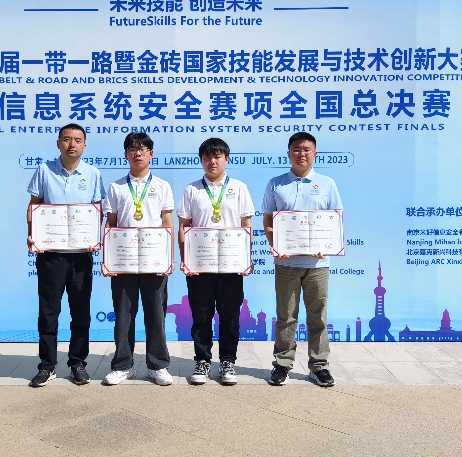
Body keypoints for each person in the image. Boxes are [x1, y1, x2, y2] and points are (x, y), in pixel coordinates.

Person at [26, 123, 105, 387]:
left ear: (84, 145)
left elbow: (97, 211)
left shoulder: (92, 173)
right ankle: (47, 365)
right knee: (48, 312)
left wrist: (95, 238)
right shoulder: (44, 170)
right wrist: (33, 235)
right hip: (51, 254)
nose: (72, 144)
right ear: (58, 143)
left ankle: (77, 363)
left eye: (78, 140)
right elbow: (34, 206)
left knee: (80, 312)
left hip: (81, 255)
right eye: (67, 139)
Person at [262, 131, 343, 387]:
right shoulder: (276, 184)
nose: (301, 154)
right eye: (296, 149)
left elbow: (335, 219)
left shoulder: (327, 184)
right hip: (286, 263)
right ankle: (282, 364)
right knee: (286, 316)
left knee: (318, 316)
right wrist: (276, 245)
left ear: (315, 153)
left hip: (317, 264)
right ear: (288, 154)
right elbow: (268, 219)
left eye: (307, 149)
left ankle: (319, 366)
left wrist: (327, 246)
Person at [177, 138, 254, 385]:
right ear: (201, 160)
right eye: (207, 157)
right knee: (201, 316)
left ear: (226, 159)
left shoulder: (239, 188)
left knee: (230, 316)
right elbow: (183, 227)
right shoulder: (192, 190)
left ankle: (228, 361)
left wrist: (246, 259)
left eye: (217, 156)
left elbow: (246, 226)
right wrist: (186, 260)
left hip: (231, 267)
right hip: (200, 267)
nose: (212, 161)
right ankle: (202, 360)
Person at [101, 132, 174, 386]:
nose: (137, 153)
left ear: (151, 154)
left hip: (154, 262)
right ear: (126, 154)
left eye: (143, 149)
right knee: (123, 315)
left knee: (156, 314)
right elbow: (110, 225)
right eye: (132, 149)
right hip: (123, 262)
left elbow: (167, 224)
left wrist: (168, 259)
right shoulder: (116, 187)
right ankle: (123, 365)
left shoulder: (162, 186)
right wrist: (108, 260)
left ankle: (157, 365)